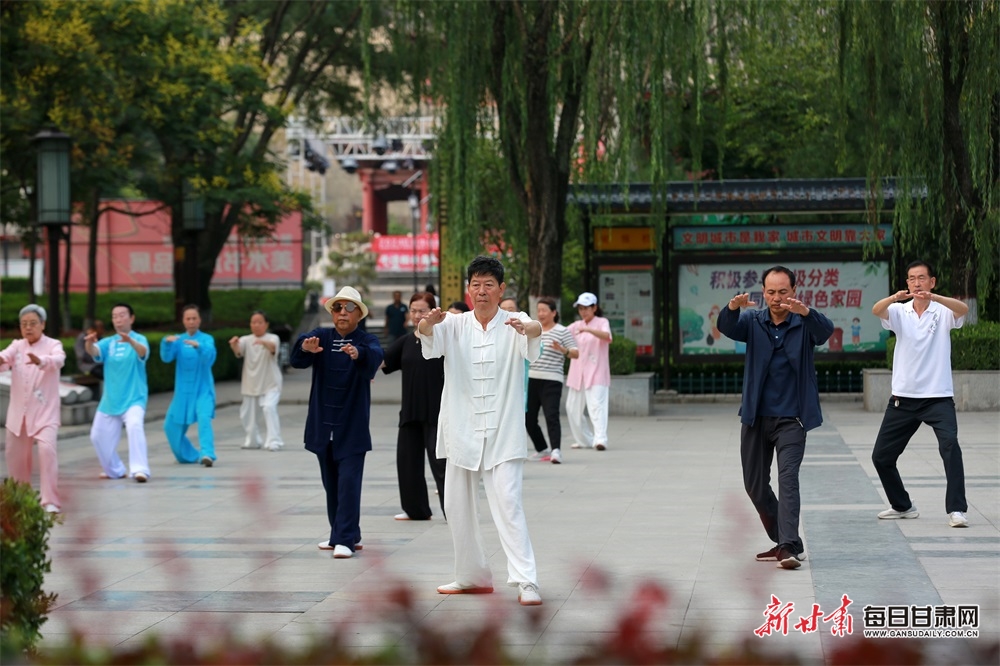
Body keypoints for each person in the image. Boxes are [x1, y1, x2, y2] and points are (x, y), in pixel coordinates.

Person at [418, 255, 544, 606]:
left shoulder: (514, 321)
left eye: (490, 285)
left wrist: (531, 329)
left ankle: (526, 580)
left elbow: (534, 332)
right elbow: (428, 339)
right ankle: (471, 576)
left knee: (508, 503)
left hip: (503, 431)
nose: (482, 291)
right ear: (468, 289)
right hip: (461, 429)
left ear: (501, 289)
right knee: (456, 505)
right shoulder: (455, 325)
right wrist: (428, 324)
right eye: (476, 284)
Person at [717, 266, 834, 570]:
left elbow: (825, 331)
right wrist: (732, 307)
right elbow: (727, 327)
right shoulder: (754, 321)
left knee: (788, 479)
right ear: (763, 292)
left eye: (783, 291)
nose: (777, 298)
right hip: (756, 417)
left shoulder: (805, 322)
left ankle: (787, 547)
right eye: (771, 292)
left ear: (793, 291)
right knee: (754, 485)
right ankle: (787, 540)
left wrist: (806, 312)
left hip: (792, 419)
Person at [870, 260, 970, 528]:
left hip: (938, 397)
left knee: (950, 448)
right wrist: (894, 297)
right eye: (912, 279)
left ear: (932, 281)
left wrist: (934, 298)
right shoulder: (899, 311)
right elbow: (876, 309)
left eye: (922, 278)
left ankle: (957, 509)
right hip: (902, 399)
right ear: (907, 283)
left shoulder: (942, 311)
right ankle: (902, 505)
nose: (917, 283)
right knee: (881, 456)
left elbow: (964, 309)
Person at [291, 286, 383, 559]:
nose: (343, 313)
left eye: (349, 308)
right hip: (323, 425)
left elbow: (375, 356)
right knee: (331, 484)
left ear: (359, 314)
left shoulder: (367, 340)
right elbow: (298, 357)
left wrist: (358, 355)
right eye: (337, 308)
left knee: (348, 484)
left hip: (351, 427)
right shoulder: (321, 336)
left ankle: (344, 539)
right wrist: (305, 347)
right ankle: (344, 534)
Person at [380, 292, 446, 520]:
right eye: (414, 310)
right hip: (410, 412)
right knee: (408, 464)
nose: (417, 315)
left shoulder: (443, 339)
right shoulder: (406, 341)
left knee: (442, 467)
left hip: (438, 413)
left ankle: (454, 512)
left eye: (422, 311)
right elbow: (382, 362)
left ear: (433, 312)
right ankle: (415, 510)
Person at [0, 304, 65, 513]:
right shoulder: (17, 346)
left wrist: (42, 361)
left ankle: (50, 501)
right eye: (24, 324)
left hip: (45, 413)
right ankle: (21, 500)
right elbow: (5, 357)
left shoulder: (53, 344)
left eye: (33, 323)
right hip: (19, 415)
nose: (28, 328)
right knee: (15, 459)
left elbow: (59, 360)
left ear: (43, 325)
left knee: (46, 451)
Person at [86, 303, 151, 482]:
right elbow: (94, 351)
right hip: (110, 400)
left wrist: (131, 341)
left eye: (122, 315)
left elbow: (143, 352)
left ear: (131, 318)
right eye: (115, 316)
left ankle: (140, 469)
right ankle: (115, 469)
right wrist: (89, 343)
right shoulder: (108, 342)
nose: (118, 319)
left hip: (134, 398)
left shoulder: (140, 339)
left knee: (134, 426)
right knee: (97, 436)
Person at [161, 305, 217, 466]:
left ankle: (207, 454)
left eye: (194, 318)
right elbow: (166, 358)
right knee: (170, 426)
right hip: (183, 393)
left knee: (204, 418)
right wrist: (166, 343)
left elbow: (209, 358)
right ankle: (189, 455)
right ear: (183, 321)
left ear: (200, 320)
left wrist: (199, 347)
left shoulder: (207, 339)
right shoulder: (178, 340)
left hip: (202, 389)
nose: (191, 321)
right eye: (188, 318)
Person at [526, 297, 579, 464]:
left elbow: (575, 353)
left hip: (552, 380)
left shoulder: (562, 331)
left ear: (554, 313)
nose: (540, 314)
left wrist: (562, 349)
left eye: (544, 310)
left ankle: (556, 450)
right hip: (532, 379)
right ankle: (542, 449)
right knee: (528, 418)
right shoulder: (534, 330)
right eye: (538, 310)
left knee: (551, 415)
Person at [228, 310, 284, 452]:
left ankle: (274, 441)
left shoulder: (273, 338)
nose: (256, 325)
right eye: (253, 322)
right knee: (248, 415)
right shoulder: (246, 339)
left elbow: (273, 348)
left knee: (269, 408)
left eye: (260, 322)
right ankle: (252, 440)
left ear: (266, 324)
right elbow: (238, 352)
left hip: (271, 383)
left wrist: (263, 342)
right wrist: (234, 344)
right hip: (251, 383)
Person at [566, 292, 613, 451]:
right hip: (577, 374)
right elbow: (562, 334)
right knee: (572, 408)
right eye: (581, 308)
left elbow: (607, 336)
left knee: (597, 406)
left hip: (597, 372)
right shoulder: (575, 325)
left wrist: (589, 330)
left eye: (586, 308)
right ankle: (584, 439)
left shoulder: (602, 322)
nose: (583, 311)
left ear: (594, 308)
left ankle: (600, 439)